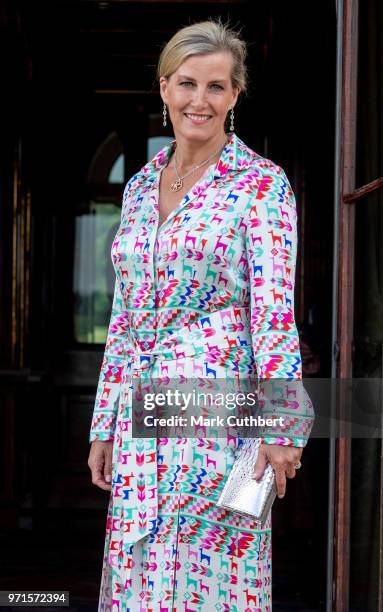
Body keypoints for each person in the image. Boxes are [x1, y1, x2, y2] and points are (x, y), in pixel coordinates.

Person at [88, 18, 314, 611]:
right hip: (140, 417)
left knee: (211, 582)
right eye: (188, 84)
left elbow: (274, 311)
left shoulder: (261, 185)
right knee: (139, 577)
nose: (200, 100)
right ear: (164, 88)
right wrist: (103, 424)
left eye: (217, 87)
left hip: (219, 417)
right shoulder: (139, 188)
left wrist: (282, 424)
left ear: (235, 96)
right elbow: (123, 316)